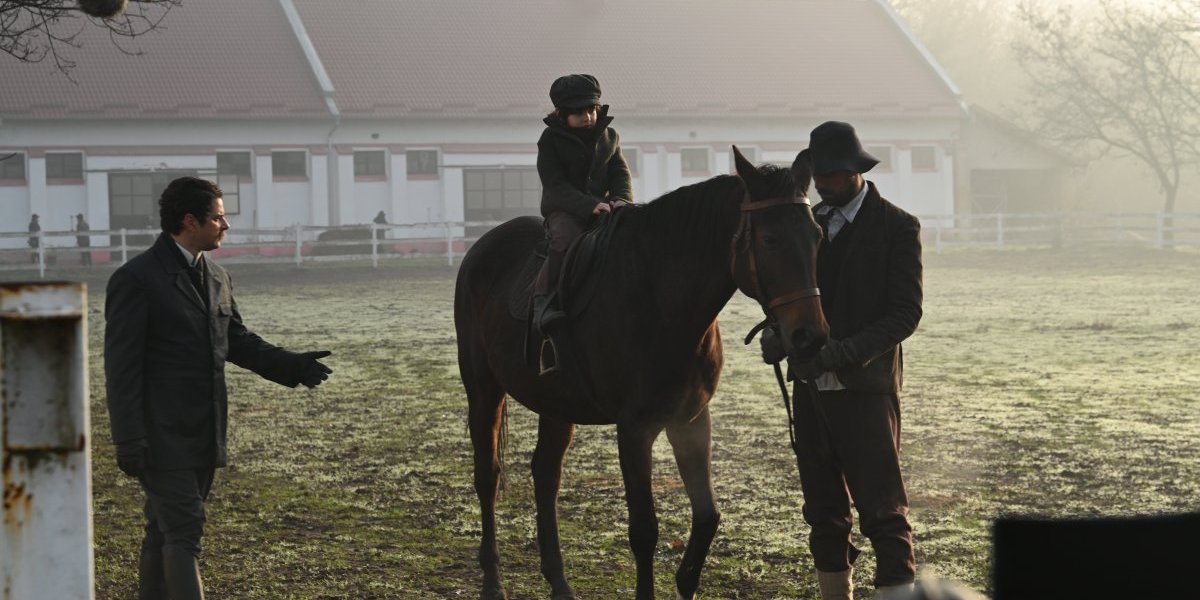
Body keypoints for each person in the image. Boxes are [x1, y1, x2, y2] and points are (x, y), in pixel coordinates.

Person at [104, 176, 334, 600]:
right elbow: (121, 369)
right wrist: (128, 437)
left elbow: (237, 341)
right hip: (157, 434)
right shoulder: (135, 280)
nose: (226, 226)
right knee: (185, 530)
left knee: (163, 528)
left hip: (205, 431)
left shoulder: (218, 276)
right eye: (219, 218)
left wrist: (293, 366)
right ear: (189, 221)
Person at [761, 121, 923, 600]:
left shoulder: (898, 226)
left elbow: (905, 313)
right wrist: (777, 334)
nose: (822, 184)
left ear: (855, 171)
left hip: (868, 389)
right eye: (818, 175)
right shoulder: (805, 223)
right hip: (810, 389)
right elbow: (787, 298)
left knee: (884, 512)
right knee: (823, 512)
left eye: (830, 174)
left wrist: (844, 353)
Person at [531, 73, 633, 335]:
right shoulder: (550, 140)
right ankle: (545, 299)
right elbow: (555, 185)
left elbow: (620, 173)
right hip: (565, 209)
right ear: (562, 113)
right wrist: (588, 206)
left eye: (591, 110)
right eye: (579, 112)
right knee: (564, 241)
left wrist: (621, 199)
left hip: (608, 206)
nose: (587, 117)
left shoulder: (610, 136)